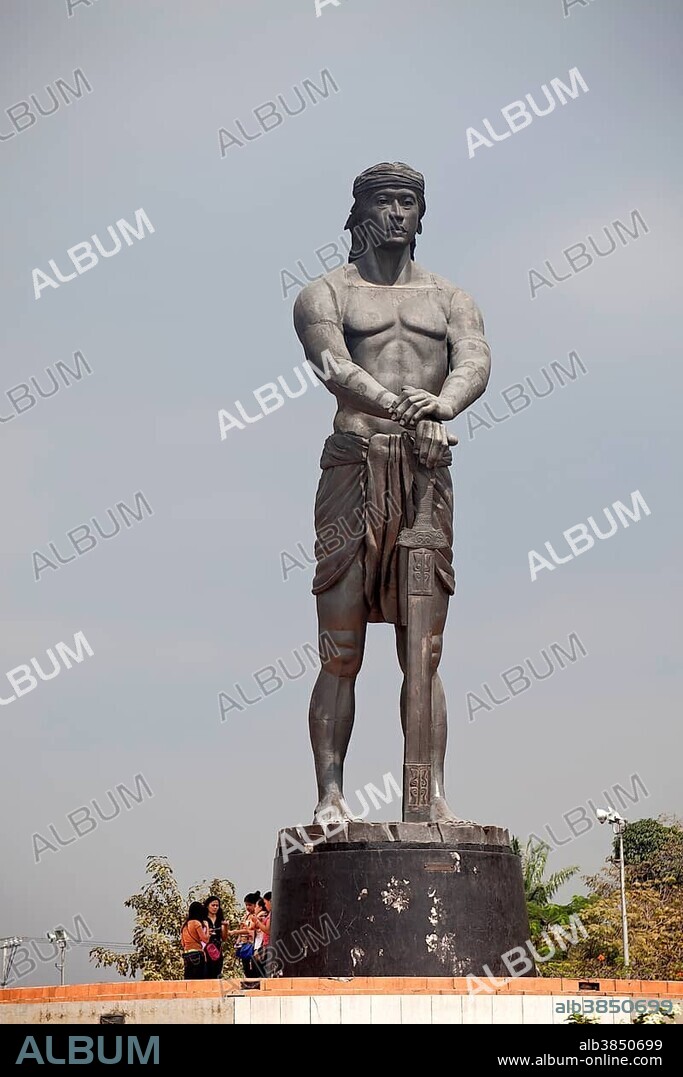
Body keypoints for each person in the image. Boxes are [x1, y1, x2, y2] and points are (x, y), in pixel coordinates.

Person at [293, 161, 491, 825]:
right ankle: (329, 794)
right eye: (384, 201)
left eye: (408, 201)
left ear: (421, 213)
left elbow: (475, 359)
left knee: (423, 650)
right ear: (358, 213)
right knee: (340, 646)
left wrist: (441, 405)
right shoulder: (325, 294)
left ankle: (428, 795)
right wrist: (397, 406)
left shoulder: (449, 298)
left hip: (425, 474)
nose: (397, 213)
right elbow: (332, 365)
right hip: (353, 469)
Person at [226, 892, 260, 978]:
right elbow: (242, 929)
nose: (248, 907)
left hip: (252, 944)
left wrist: (235, 932)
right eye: (246, 905)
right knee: (246, 967)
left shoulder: (256, 916)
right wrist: (238, 942)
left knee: (253, 967)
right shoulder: (246, 916)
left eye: (250, 905)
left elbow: (249, 930)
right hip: (244, 945)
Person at [180, 901, 209, 980]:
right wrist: (207, 927)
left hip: (186, 954)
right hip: (197, 954)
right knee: (200, 980)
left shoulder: (184, 925)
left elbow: (182, 943)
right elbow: (206, 939)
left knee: (189, 979)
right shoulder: (196, 923)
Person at [203, 895, 228, 979]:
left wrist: (225, 927)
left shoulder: (220, 919)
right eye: (213, 905)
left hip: (217, 948)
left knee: (217, 972)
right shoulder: (204, 919)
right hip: (206, 948)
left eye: (217, 906)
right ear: (207, 906)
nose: (215, 908)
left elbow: (224, 937)